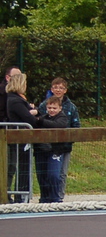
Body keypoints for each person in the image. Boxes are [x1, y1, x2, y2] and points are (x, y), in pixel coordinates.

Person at [37, 77, 79, 200]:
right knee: (46, 173)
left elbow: (76, 126)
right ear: (51, 89)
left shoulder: (71, 107)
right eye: (55, 87)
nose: (58, 90)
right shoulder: (44, 105)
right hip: (47, 147)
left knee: (62, 173)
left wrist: (68, 140)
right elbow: (39, 121)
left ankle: (59, 197)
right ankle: (46, 197)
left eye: (61, 88)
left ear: (65, 90)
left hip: (64, 146)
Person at [5, 70, 40, 202]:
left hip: (22, 137)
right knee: (21, 168)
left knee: (23, 167)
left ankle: (22, 195)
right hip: (20, 138)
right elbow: (28, 119)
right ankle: (20, 197)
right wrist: (35, 113)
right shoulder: (15, 101)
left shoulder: (18, 99)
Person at [33, 96, 72, 203]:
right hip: (41, 151)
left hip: (56, 151)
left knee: (53, 175)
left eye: (54, 108)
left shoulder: (62, 118)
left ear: (60, 108)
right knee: (42, 176)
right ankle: (44, 198)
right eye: (49, 108)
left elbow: (58, 125)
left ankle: (55, 199)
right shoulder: (44, 117)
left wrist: (40, 121)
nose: (52, 110)